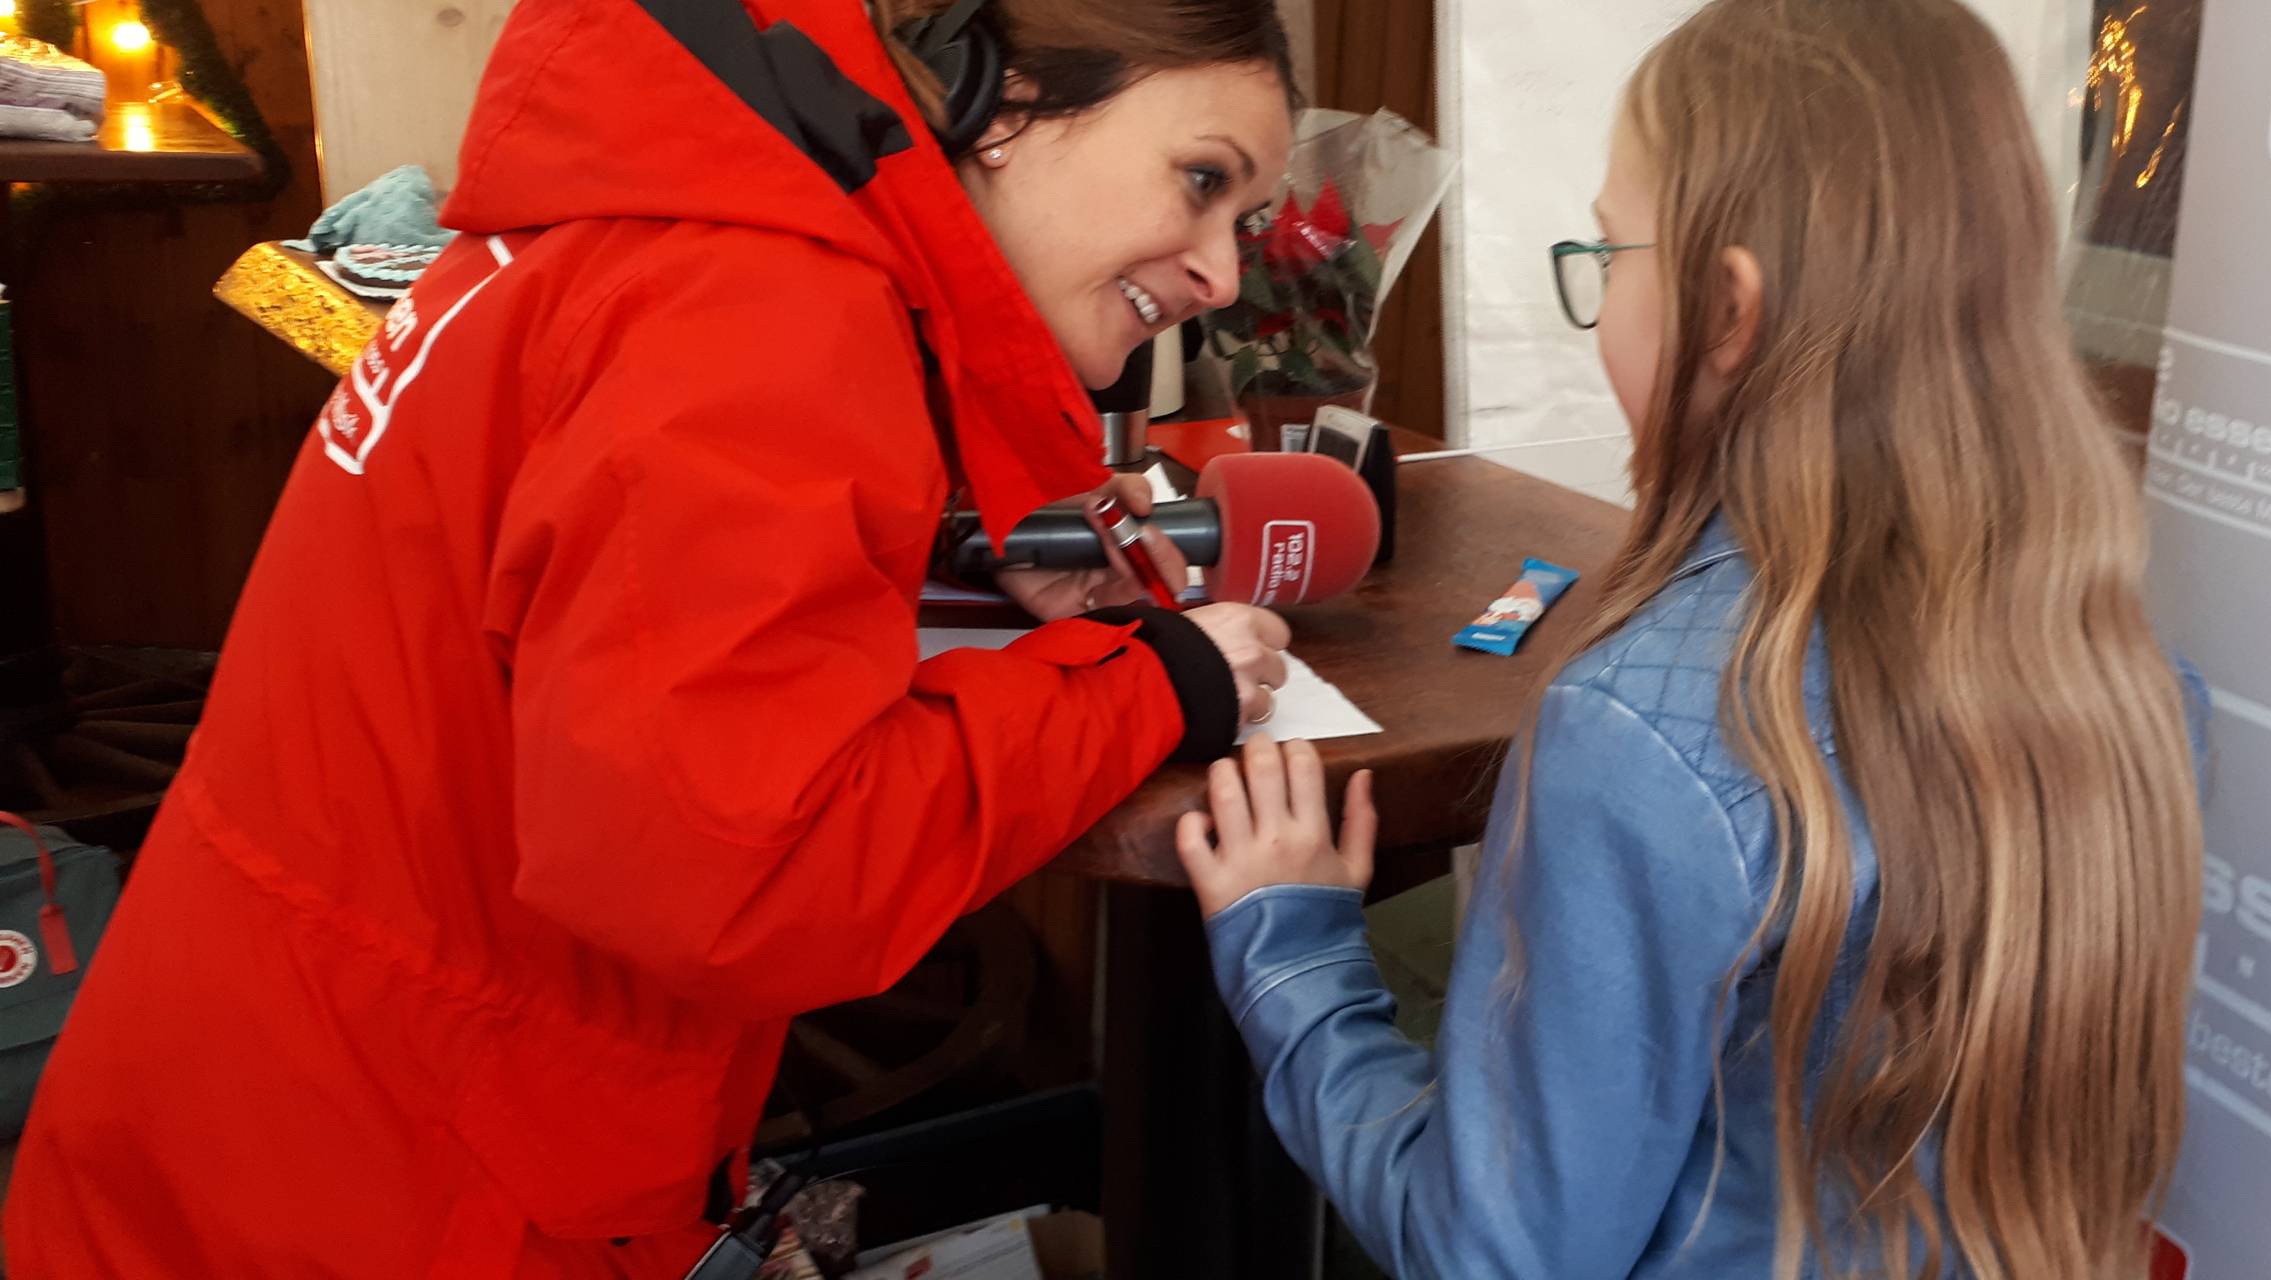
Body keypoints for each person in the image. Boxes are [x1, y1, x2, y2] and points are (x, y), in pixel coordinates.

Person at [5, 0, 1300, 1271]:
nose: (1221, 269)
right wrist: (1145, 690)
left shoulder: (679, 210)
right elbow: (745, 874)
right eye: (1201, 180)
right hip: (407, 1184)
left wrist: (977, 519)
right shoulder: (762, 307)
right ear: (1003, 103)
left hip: (268, 1091)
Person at [1173, 0, 2210, 1275]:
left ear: (1728, 310)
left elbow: (1499, 1253)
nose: (1599, 296)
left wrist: (1294, 945)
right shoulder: (2136, 676)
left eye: (1609, 255)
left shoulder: (1642, 733)